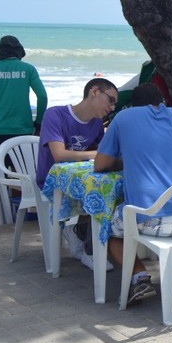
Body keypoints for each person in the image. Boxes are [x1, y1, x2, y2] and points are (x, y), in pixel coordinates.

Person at [94, 83, 172, 305]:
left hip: (150, 219)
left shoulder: (124, 119)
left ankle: (139, 276)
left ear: (134, 106)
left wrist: (129, 160)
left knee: (106, 230)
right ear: (162, 102)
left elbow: (100, 164)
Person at [36, 78, 119, 270]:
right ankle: (90, 250)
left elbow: (105, 154)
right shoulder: (55, 115)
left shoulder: (97, 123)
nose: (113, 107)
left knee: (109, 191)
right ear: (94, 91)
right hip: (53, 182)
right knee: (98, 192)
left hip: (81, 180)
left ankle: (83, 235)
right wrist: (96, 154)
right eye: (111, 100)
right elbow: (59, 154)